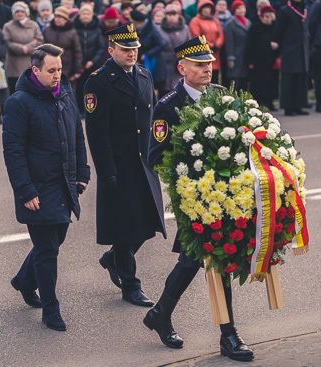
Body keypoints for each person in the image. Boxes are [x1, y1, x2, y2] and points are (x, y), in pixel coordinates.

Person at [144, 36, 254, 363]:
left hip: (225, 196)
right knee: (218, 259)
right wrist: (193, 178)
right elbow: (155, 156)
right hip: (193, 199)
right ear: (182, 68)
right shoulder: (168, 105)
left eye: (209, 63)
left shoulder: (221, 97)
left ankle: (160, 313)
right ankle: (228, 337)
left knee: (193, 260)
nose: (207, 69)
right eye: (199, 64)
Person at [3, 43, 90, 332]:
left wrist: (82, 172)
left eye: (60, 69)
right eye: (51, 71)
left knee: (55, 241)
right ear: (35, 70)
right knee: (48, 249)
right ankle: (51, 310)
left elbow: (77, 133)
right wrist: (25, 191)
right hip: (37, 188)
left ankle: (24, 280)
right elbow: (13, 150)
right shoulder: (19, 102)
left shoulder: (64, 92)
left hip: (63, 183)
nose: (57, 75)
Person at [83, 24, 167, 307]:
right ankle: (131, 286)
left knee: (146, 223)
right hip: (119, 165)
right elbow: (96, 132)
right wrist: (106, 170)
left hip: (144, 163)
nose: (132, 53)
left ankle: (112, 259)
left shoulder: (144, 74)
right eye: (125, 49)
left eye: (134, 49)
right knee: (124, 227)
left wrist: (159, 154)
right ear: (111, 50)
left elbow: (153, 119)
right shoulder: (99, 81)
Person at [272, 0, 311, 116]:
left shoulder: (304, 9)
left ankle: (299, 105)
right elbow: (279, 29)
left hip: (302, 49)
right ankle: (288, 107)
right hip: (290, 48)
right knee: (289, 79)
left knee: (300, 79)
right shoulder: (285, 11)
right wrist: (276, 41)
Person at [3, 1, 44, 94]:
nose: (19, 13)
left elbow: (40, 40)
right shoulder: (8, 26)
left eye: (22, 11)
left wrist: (28, 48)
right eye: (17, 11)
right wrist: (21, 48)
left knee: (29, 90)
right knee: (14, 91)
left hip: (29, 62)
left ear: (26, 12)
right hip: (13, 64)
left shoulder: (33, 25)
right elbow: (6, 42)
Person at [246, 5, 280, 109]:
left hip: (271, 60)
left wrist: (277, 46)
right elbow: (249, 45)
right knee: (258, 83)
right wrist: (250, 61)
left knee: (271, 82)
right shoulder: (255, 27)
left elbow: (279, 40)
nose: (266, 18)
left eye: (268, 16)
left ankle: (269, 102)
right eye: (264, 16)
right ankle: (257, 102)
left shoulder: (275, 27)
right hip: (258, 60)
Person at [43, 6, 83, 90]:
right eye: (56, 16)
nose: (57, 19)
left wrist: (77, 70)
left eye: (60, 17)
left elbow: (77, 52)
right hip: (50, 68)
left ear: (65, 19)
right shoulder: (47, 31)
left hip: (68, 69)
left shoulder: (72, 32)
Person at [74, 3, 104, 110]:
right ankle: (81, 109)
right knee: (80, 88)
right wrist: (80, 62)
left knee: (93, 87)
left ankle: (93, 108)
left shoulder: (97, 29)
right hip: (79, 65)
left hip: (93, 64)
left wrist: (92, 61)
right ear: (80, 15)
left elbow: (101, 48)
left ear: (91, 15)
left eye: (88, 13)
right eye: (83, 13)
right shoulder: (75, 29)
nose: (85, 15)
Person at [130, 10, 167, 96]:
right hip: (142, 61)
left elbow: (162, 44)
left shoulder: (152, 28)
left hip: (155, 62)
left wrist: (148, 54)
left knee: (154, 85)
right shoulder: (138, 30)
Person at [156, 4, 191, 94]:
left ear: (178, 15)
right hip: (164, 64)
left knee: (179, 89)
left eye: (174, 14)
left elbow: (188, 44)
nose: (171, 17)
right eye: (169, 14)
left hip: (180, 63)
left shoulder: (185, 28)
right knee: (164, 91)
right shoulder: (159, 29)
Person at [189, 0, 225, 83]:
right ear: (200, 9)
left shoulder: (215, 20)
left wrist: (217, 45)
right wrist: (211, 45)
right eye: (204, 7)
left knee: (215, 77)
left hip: (215, 54)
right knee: (204, 78)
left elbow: (220, 35)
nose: (206, 9)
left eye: (208, 7)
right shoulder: (195, 21)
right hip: (203, 54)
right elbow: (197, 36)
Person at [224, 0, 251, 92]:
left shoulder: (248, 22)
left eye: (242, 8)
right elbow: (229, 42)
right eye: (238, 8)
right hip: (236, 57)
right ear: (234, 10)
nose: (241, 10)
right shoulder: (230, 24)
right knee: (235, 83)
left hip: (246, 57)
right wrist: (230, 58)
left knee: (244, 84)